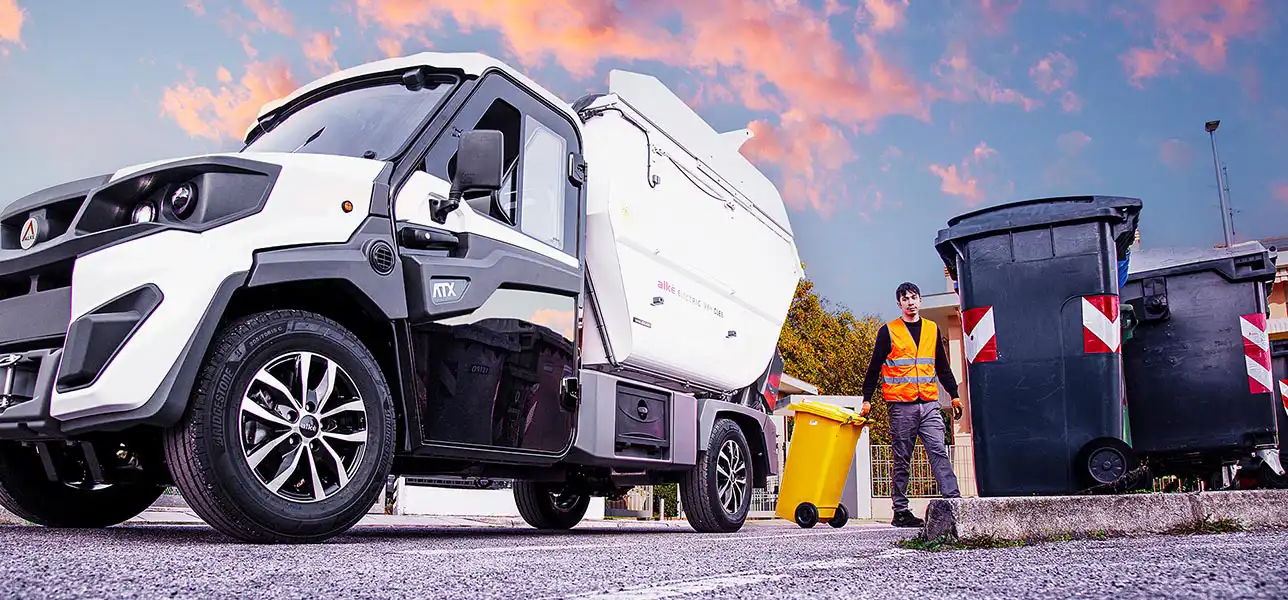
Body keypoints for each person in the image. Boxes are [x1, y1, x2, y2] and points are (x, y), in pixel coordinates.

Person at [860, 282, 962, 528]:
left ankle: (954, 500)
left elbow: (942, 366)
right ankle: (901, 511)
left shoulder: (932, 329)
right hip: (901, 406)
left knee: (938, 450)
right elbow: (874, 368)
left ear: (920, 300)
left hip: (929, 404)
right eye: (905, 299)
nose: (910, 302)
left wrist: (955, 394)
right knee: (902, 458)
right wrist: (866, 399)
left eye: (914, 297)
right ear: (899, 304)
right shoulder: (889, 331)